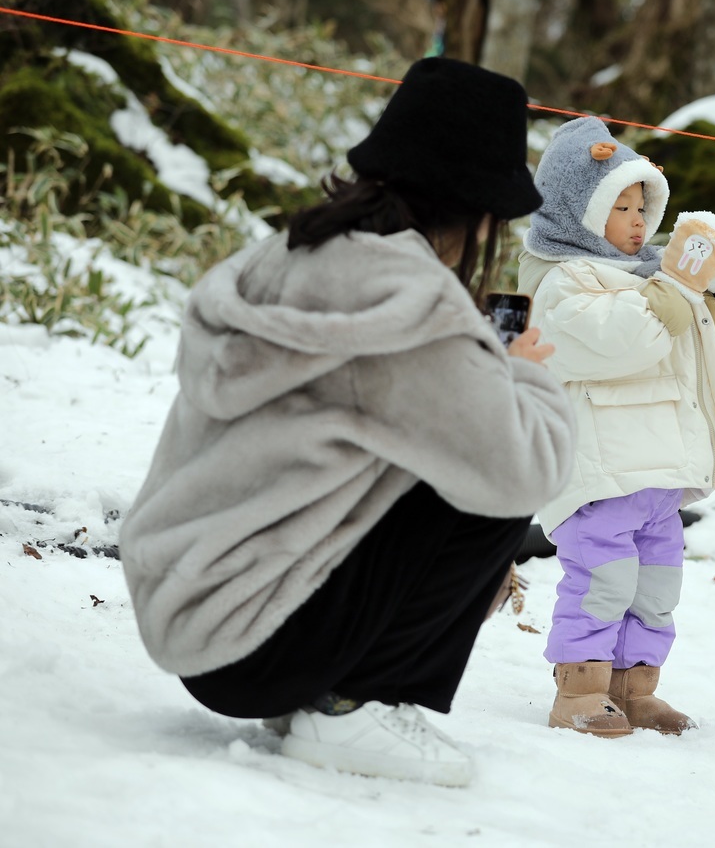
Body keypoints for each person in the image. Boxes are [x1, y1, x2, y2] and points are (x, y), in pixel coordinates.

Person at [119, 58, 576, 788]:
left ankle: (324, 685)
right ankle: (350, 703)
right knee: (495, 476)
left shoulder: (293, 249)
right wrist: (521, 370)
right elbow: (528, 465)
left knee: (443, 446)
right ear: (481, 209)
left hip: (190, 612)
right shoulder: (408, 301)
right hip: (256, 643)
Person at [517, 115, 715, 736]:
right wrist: (678, 282)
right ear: (577, 211)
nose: (635, 219)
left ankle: (635, 687)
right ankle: (580, 691)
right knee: (602, 584)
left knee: (654, 590)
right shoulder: (561, 283)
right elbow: (624, 340)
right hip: (601, 473)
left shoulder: (651, 276)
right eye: (618, 205)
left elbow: (698, 350)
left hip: (659, 475)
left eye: (641, 205)